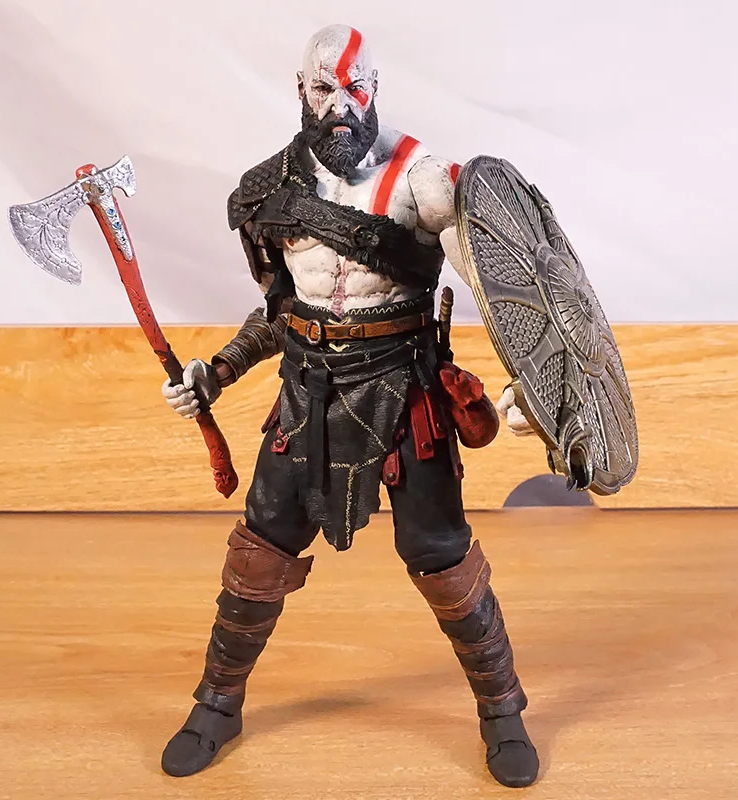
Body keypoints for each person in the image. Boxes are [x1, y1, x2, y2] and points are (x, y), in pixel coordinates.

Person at [160, 23, 539, 788]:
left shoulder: (424, 182)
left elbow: (507, 290)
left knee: (441, 554)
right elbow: (279, 311)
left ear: (376, 88)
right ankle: (217, 702)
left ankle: (502, 710)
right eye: (324, 88)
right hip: (306, 395)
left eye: (355, 86)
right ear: (301, 92)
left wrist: (529, 382)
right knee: (260, 548)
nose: (341, 105)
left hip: (406, 393)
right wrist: (218, 371)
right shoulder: (269, 192)